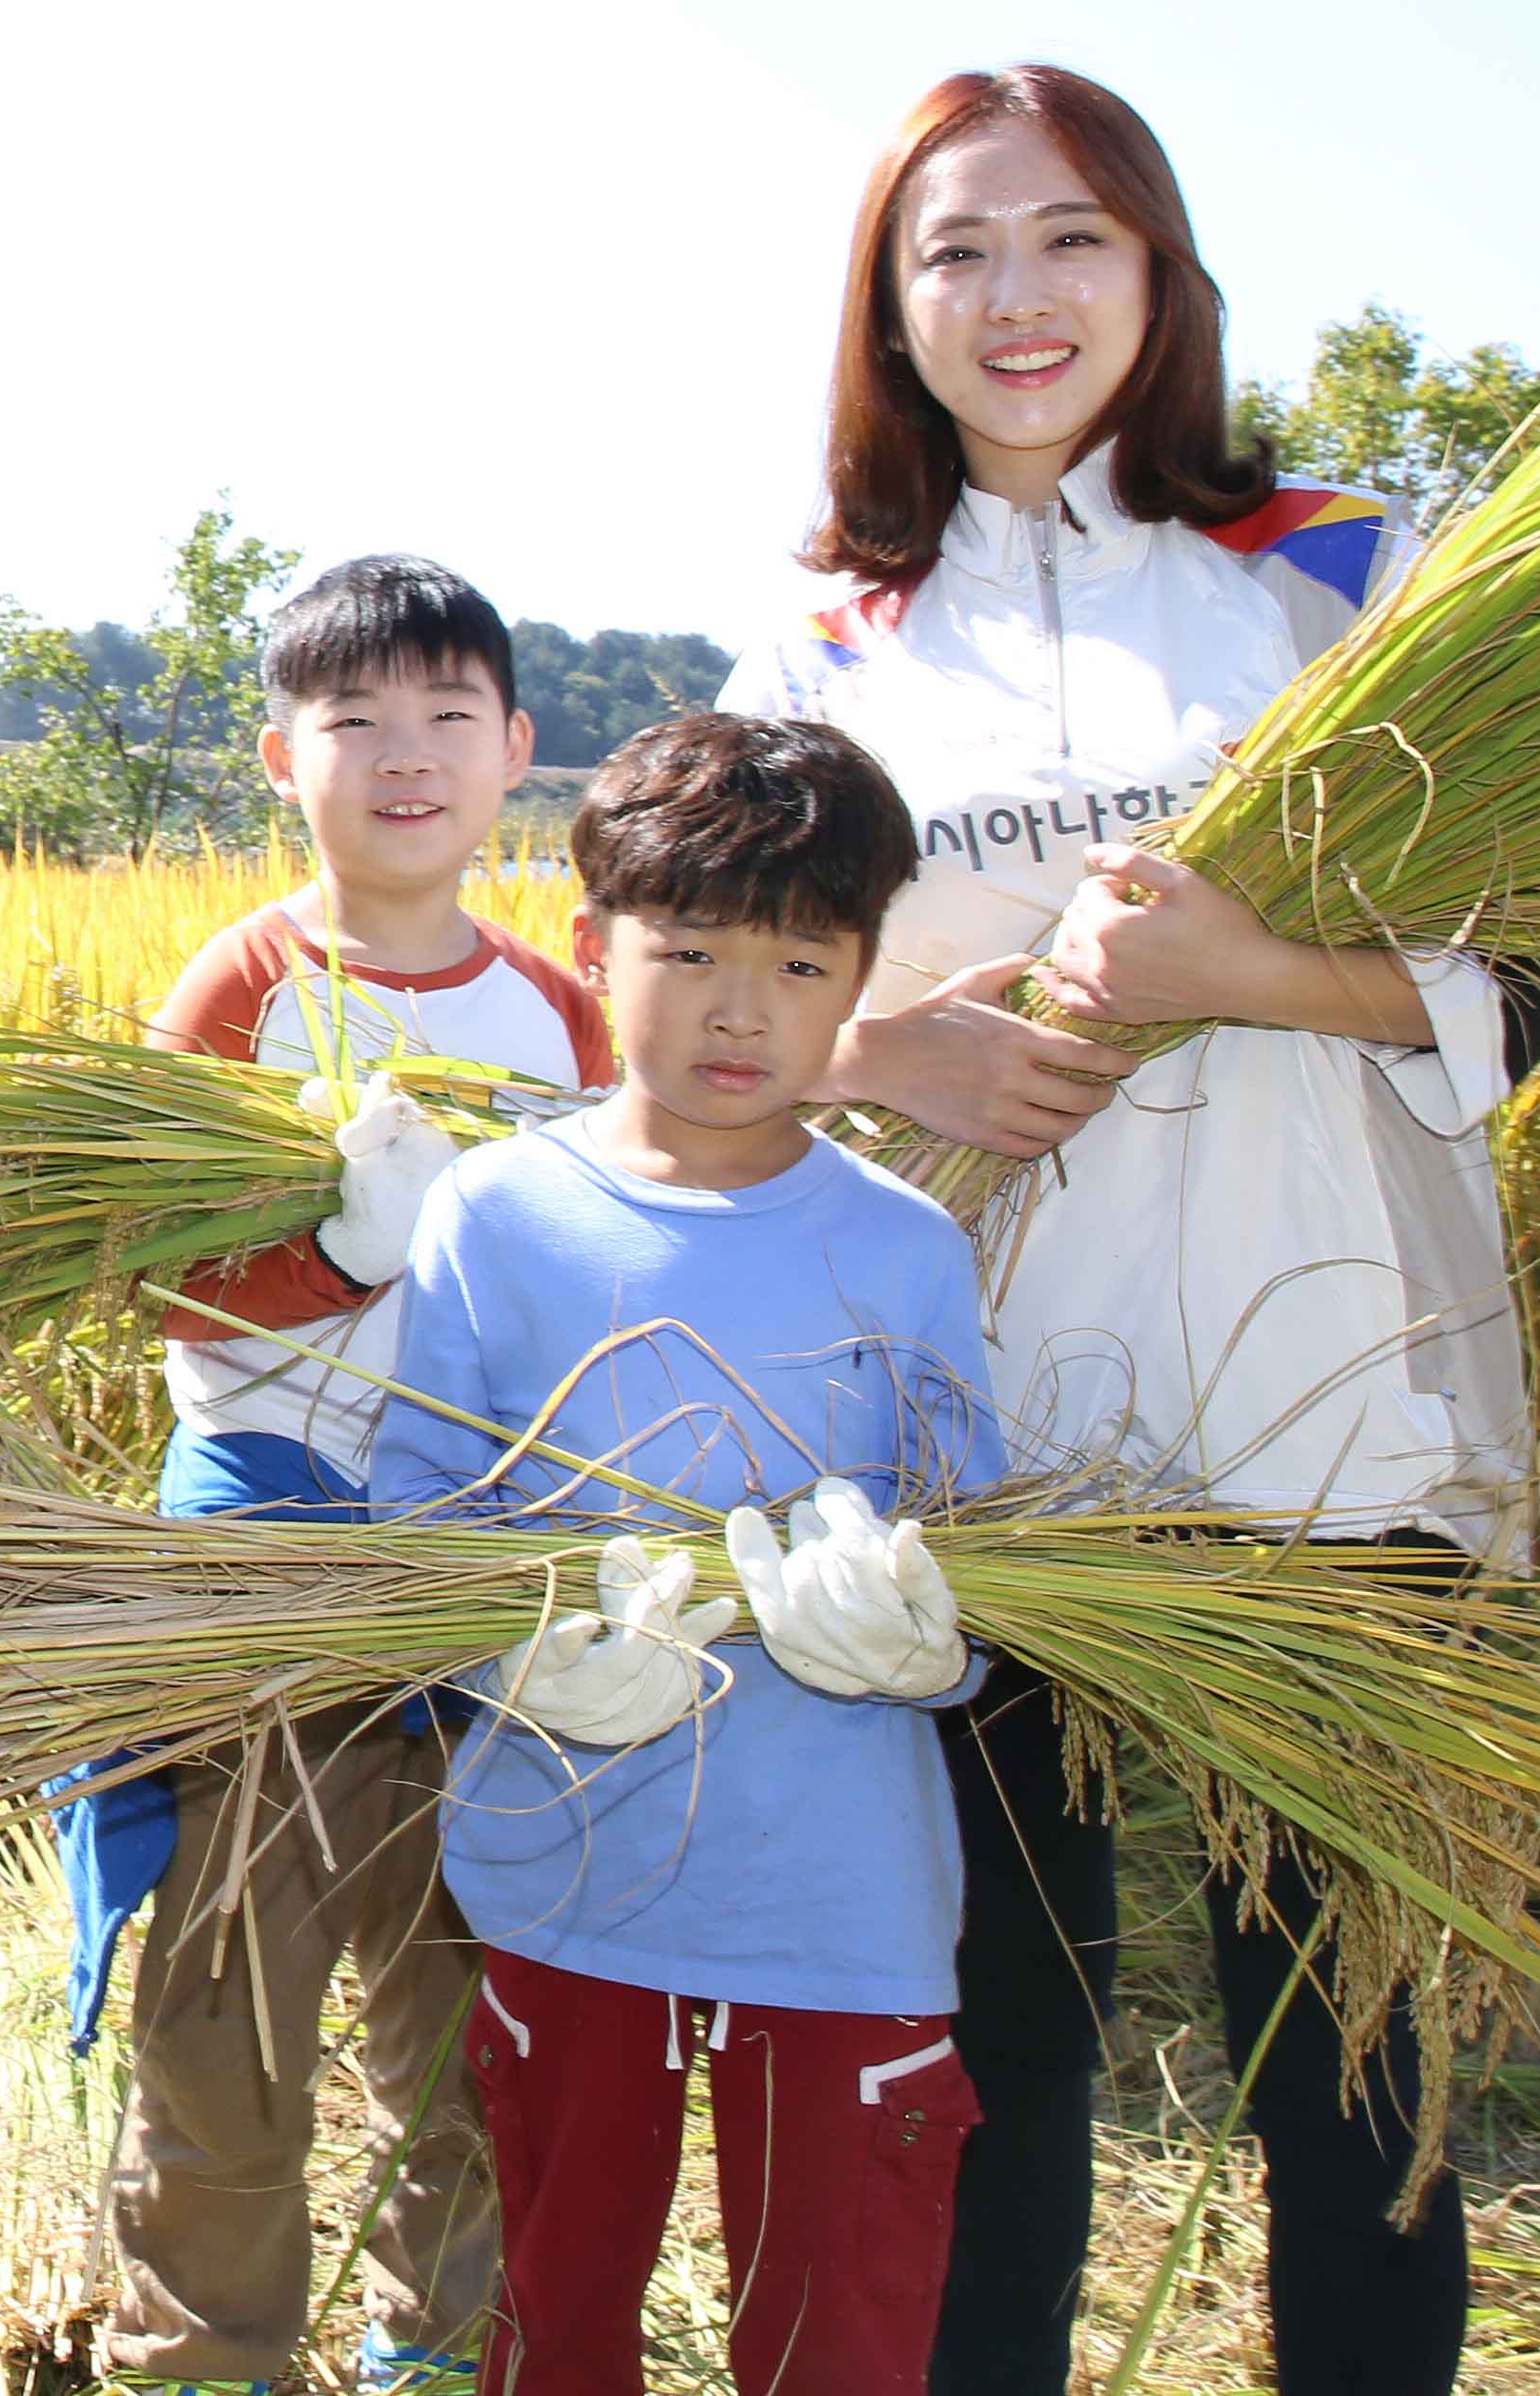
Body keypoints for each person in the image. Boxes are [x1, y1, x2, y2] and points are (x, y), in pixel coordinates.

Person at [722, 66, 1540, 2396]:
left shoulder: (1340, 571)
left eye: (1070, 238)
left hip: (1345, 1425)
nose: (1016, 296)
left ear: (1160, 272)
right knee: (1002, 2056)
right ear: (885, 308)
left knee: (1359, 2071)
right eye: (954, 250)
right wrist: (893, 1057)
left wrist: (1251, 977)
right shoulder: (829, 642)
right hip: (992, 1447)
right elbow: (703, 1000)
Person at [367, 713, 1012, 2396]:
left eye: (803, 962)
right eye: (694, 952)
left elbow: (986, 1560)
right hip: (568, 1866)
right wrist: (502, 1649)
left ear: (863, 977)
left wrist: (936, 1645)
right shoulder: (498, 1213)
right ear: (596, 949)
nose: (744, 1008)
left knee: (839, 2334)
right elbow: (418, 1508)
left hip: (841, 1889)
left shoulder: (908, 1249)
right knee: (557, 2316)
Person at [81, 557, 609, 2396]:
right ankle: (203, 2352)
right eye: (356, 719)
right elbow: (137, 1259)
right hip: (270, 1550)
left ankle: (444, 2340)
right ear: (275, 755)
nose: (406, 758)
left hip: (488, 1559)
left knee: (474, 1986)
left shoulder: (559, 1014)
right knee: (234, 1991)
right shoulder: (245, 983)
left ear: (517, 751)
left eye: (449, 717)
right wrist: (343, 1261)